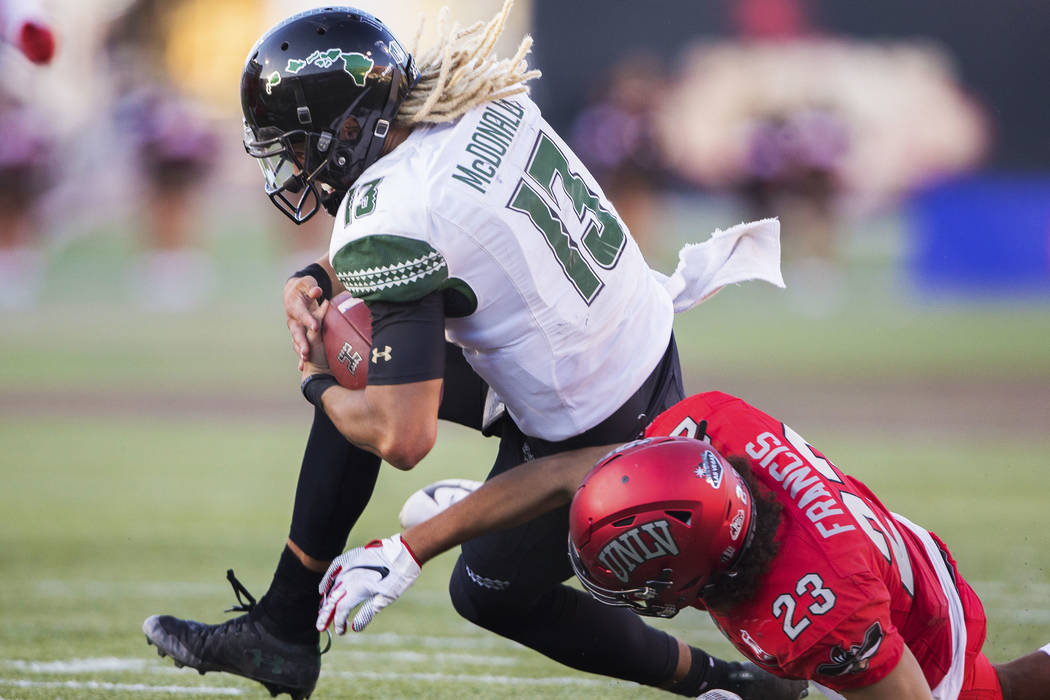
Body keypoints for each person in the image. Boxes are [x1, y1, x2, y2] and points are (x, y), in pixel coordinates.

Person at [143, 3, 795, 700]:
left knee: (487, 588)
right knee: (354, 341)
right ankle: (284, 625)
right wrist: (316, 276)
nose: (296, 165)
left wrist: (314, 383)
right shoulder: (476, 100)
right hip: (627, 338)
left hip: (594, 414)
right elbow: (445, 217)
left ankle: (722, 685)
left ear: (354, 125)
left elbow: (404, 436)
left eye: (301, 144)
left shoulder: (391, 213)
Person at [316, 389, 1050, 700]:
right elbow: (570, 473)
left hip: (903, 613)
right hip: (861, 549)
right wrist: (416, 546)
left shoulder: (819, 618)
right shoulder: (709, 431)